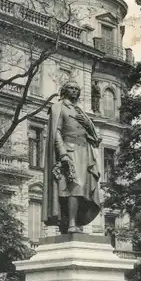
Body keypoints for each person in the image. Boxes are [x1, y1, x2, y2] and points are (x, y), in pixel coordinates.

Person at [42, 81, 101, 234]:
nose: (74, 91)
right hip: (69, 150)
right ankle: (71, 223)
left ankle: (73, 222)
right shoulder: (58, 107)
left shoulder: (80, 110)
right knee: (73, 187)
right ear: (64, 90)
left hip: (84, 152)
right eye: (71, 88)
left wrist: (88, 124)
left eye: (77, 89)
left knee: (82, 189)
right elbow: (56, 132)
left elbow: (95, 139)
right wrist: (63, 154)